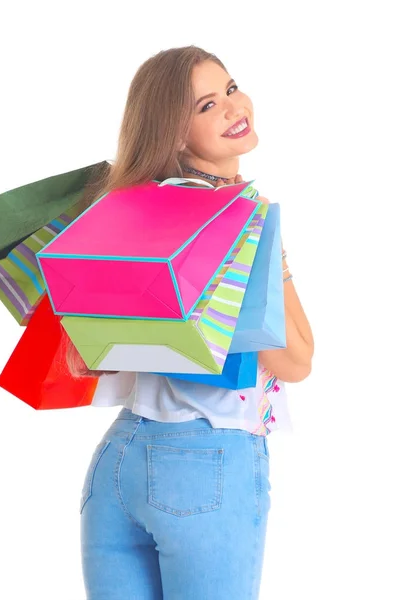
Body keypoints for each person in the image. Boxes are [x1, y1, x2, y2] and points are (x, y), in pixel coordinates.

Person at [67, 45, 314, 600]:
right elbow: (296, 361)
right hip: (205, 464)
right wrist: (271, 256)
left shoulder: (122, 212)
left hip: (118, 464)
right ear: (175, 135)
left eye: (230, 88)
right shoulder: (235, 219)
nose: (232, 106)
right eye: (207, 105)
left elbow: (93, 354)